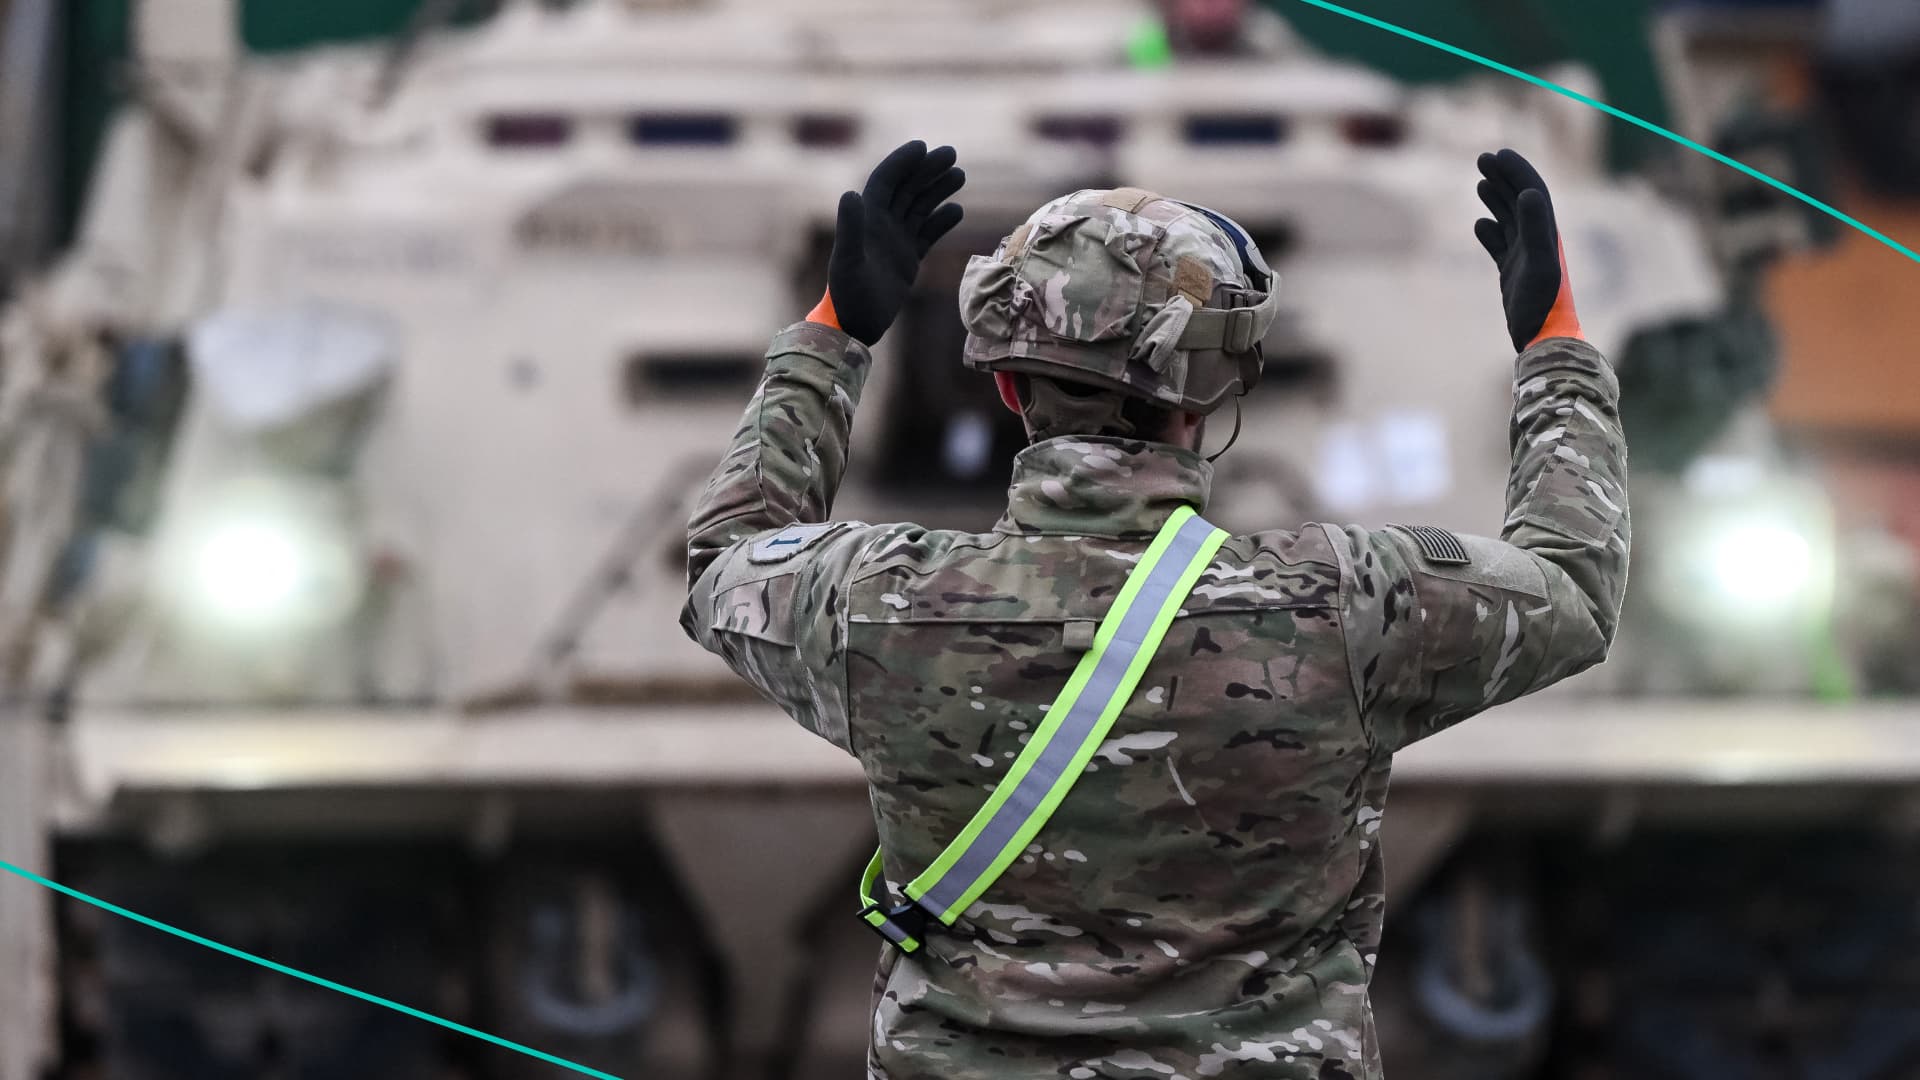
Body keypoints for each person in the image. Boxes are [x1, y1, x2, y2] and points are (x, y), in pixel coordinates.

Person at [681, 140, 1628, 1079]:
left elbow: (726, 556)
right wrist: (1553, 344)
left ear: (1008, 386)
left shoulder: (875, 601)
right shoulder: (1354, 603)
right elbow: (1575, 588)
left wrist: (835, 332)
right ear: (1215, 390)